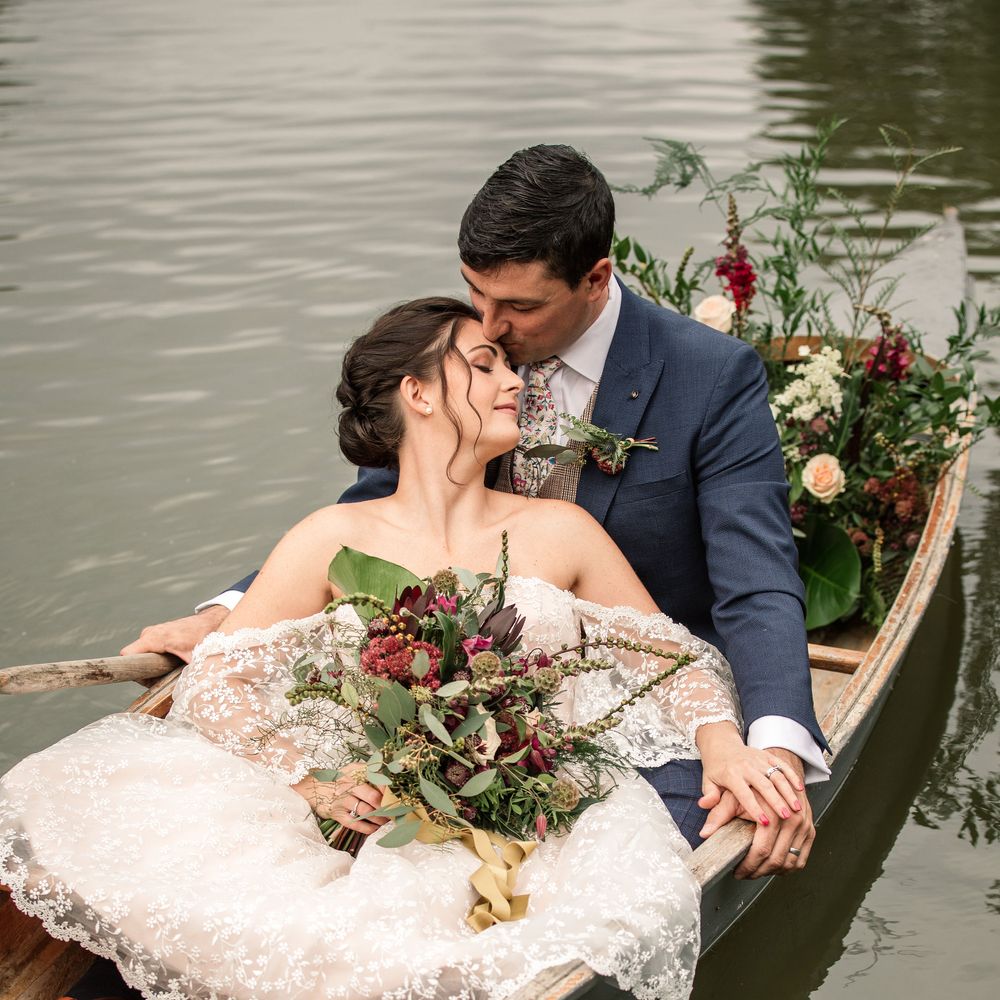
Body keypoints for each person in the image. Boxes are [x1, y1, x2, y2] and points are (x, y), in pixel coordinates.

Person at [0, 299, 802, 1000]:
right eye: (483, 365)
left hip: (525, 803)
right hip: (365, 801)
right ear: (417, 394)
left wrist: (724, 744)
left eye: (508, 365)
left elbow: (675, 660)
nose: (514, 382)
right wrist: (310, 777)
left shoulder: (563, 532)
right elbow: (216, 686)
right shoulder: (332, 536)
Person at [125, 145, 829, 877]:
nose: (489, 326)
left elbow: (756, 582)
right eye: (474, 294)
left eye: (519, 307)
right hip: (437, 718)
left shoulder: (708, 376)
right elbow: (375, 516)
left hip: (625, 704)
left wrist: (769, 749)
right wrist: (231, 614)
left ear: (595, 278)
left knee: (628, 866)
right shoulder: (452, 355)